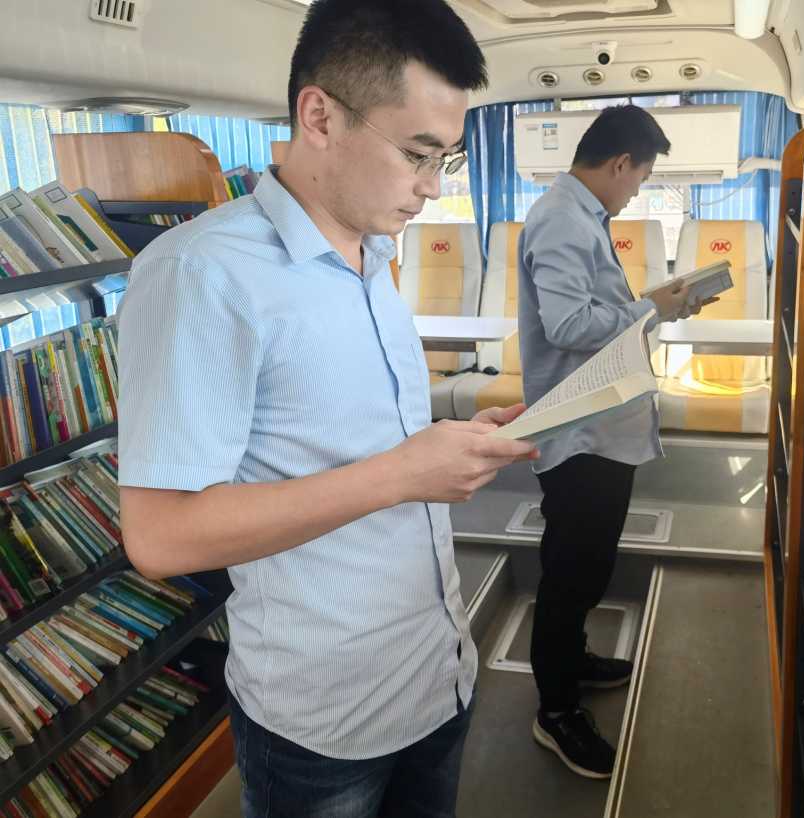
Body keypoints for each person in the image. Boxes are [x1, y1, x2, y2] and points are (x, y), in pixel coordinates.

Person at [116, 2, 537, 816]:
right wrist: (404, 473)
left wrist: (447, 444)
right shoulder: (201, 274)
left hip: (436, 671)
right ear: (319, 117)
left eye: (445, 159)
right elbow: (161, 537)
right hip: (324, 723)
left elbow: (359, 440)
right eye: (416, 154)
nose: (432, 187)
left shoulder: (372, 253)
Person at [518, 104, 707, 779]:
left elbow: (593, 312)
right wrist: (654, 307)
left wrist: (653, 303)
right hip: (580, 433)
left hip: (600, 427)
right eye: (641, 179)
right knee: (571, 572)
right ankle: (555, 709)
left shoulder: (581, 217)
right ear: (621, 163)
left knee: (589, 564)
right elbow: (569, 326)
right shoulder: (563, 220)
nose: (636, 192)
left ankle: (572, 661)